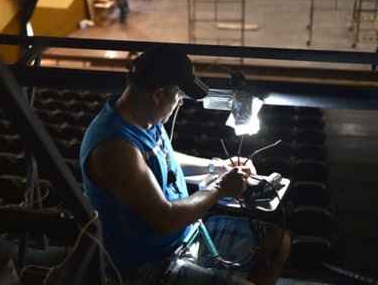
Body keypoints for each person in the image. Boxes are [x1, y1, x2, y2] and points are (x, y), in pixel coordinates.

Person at [80, 44, 290, 285]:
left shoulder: (142, 115)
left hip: (186, 233)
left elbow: (164, 157)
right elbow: (165, 218)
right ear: (158, 94)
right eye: (178, 96)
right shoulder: (115, 149)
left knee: (277, 242)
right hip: (152, 265)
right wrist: (220, 188)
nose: (179, 103)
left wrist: (215, 166)